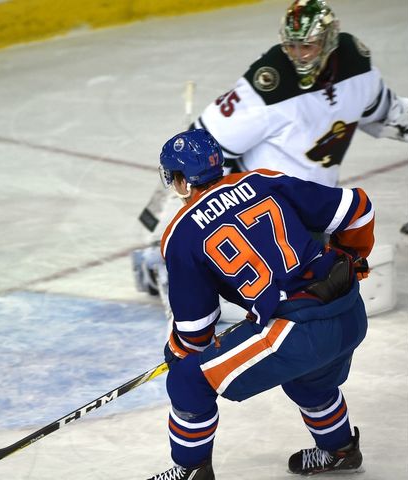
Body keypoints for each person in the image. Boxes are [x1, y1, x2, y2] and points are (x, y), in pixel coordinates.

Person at [132, 0, 408, 316]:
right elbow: (194, 155)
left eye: (307, 45)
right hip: (264, 212)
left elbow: (390, 116)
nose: (298, 54)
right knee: (302, 303)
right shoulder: (265, 88)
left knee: (327, 296)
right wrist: (166, 236)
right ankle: (161, 263)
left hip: (313, 204)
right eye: (291, 46)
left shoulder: (356, 69)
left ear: (330, 41)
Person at [145, 128, 374, 480]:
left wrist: (178, 354)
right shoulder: (264, 180)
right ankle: (340, 451)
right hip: (349, 312)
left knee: (189, 380)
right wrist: (353, 259)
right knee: (309, 382)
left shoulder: (182, 233)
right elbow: (358, 208)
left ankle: (191, 471)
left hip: (296, 333)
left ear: (179, 181)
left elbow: (196, 328)